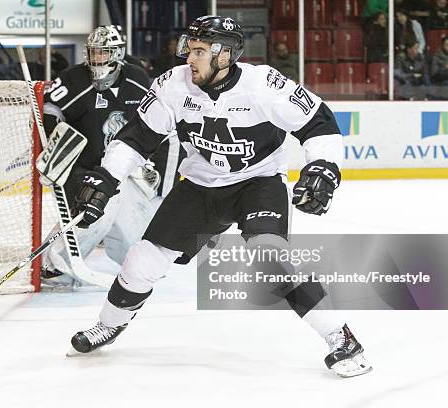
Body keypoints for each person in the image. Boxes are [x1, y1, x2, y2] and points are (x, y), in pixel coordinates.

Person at [67, 16, 372, 378]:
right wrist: (106, 177)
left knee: (272, 256)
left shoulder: (264, 85)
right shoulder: (173, 85)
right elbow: (137, 137)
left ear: (224, 55)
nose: (188, 59)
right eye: (189, 50)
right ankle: (109, 324)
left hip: (257, 182)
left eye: (198, 52)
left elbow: (319, 122)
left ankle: (342, 339)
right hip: (200, 185)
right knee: (142, 260)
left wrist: (323, 168)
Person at [41, 25, 183, 286]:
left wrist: (156, 167)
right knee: (96, 208)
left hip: (123, 166)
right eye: (93, 52)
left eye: (103, 53)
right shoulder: (73, 79)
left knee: (134, 221)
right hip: (85, 167)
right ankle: (54, 262)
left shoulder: (137, 78)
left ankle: (135, 264)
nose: (97, 58)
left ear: (117, 54)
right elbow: (50, 111)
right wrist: (52, 146)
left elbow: (155, 121)